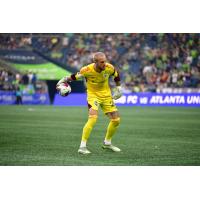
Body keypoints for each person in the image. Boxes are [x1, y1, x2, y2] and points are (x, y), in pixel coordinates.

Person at [56, 52, 122, 154]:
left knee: (116, 120)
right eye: (102, 62)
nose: (105, 64)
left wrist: (118, 88)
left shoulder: (109, 67)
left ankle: (107, 143)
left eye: (105, 61)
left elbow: (116, 75)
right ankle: (82, 147)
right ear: (95, 62)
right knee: (93, 119)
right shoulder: (86, 70)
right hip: (93, 95)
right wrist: (63, 80)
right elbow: (74, 77)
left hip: (106, 95)